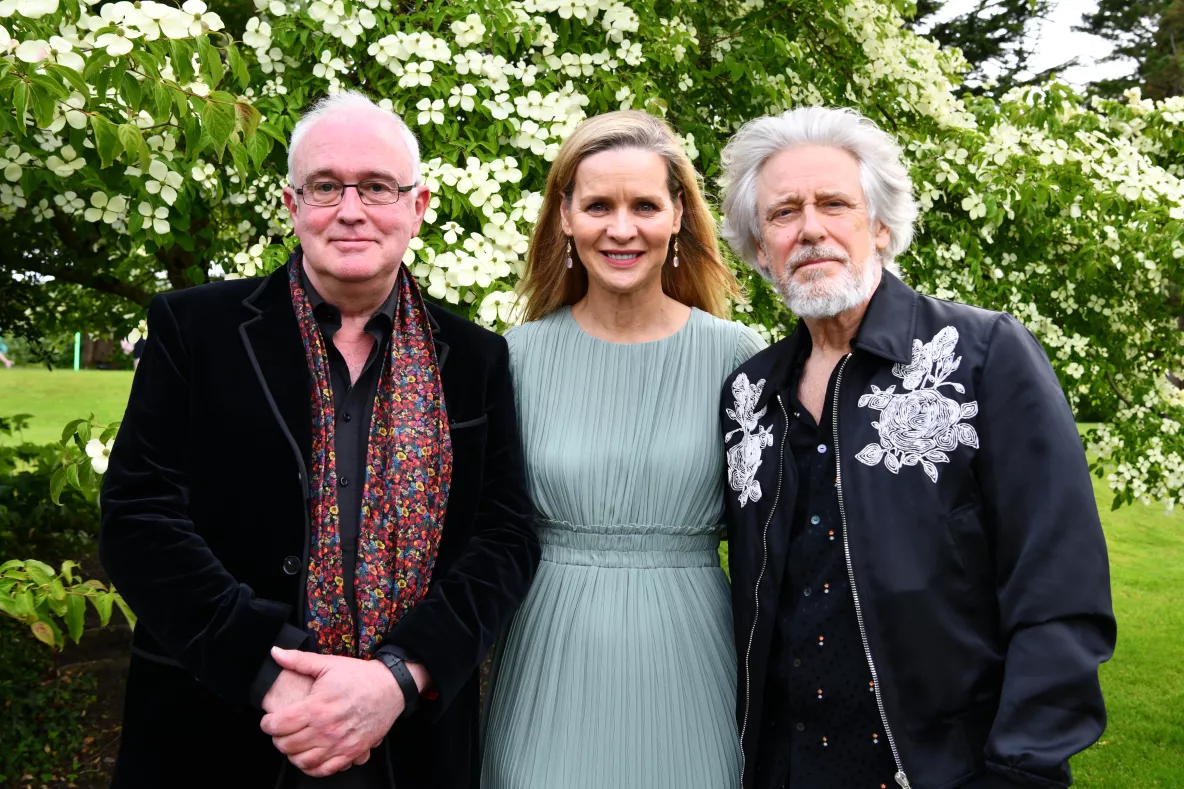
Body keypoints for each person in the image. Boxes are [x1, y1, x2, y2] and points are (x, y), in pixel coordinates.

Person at [99, 91, 539, 789]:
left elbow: (505, 535)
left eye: (378, 187)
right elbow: (138, 517)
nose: (352, 209)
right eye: (326, 186)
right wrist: (269, 669)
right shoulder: (197, 330)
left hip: (406, 740)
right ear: (291, 203)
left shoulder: (476, 358)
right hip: (219, 725)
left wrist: (401, 674)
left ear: (418, 205)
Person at [716, 105, 1116, 789]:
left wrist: (1019, 770)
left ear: (879, 225)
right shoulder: (750, 395)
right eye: (783, 214)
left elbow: (1059, 588)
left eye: (834, 204)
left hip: (941, 770)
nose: (811, 229)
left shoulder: (981, 355)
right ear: (759, 248)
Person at [481, 110, 765, 788]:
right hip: (547, 653)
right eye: (599, 205)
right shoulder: (513, 358)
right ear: (566, 219)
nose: (621, 227)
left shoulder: (739, 359)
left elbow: (773, 539)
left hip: (691, 652)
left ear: (676, 219)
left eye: (644, 204)